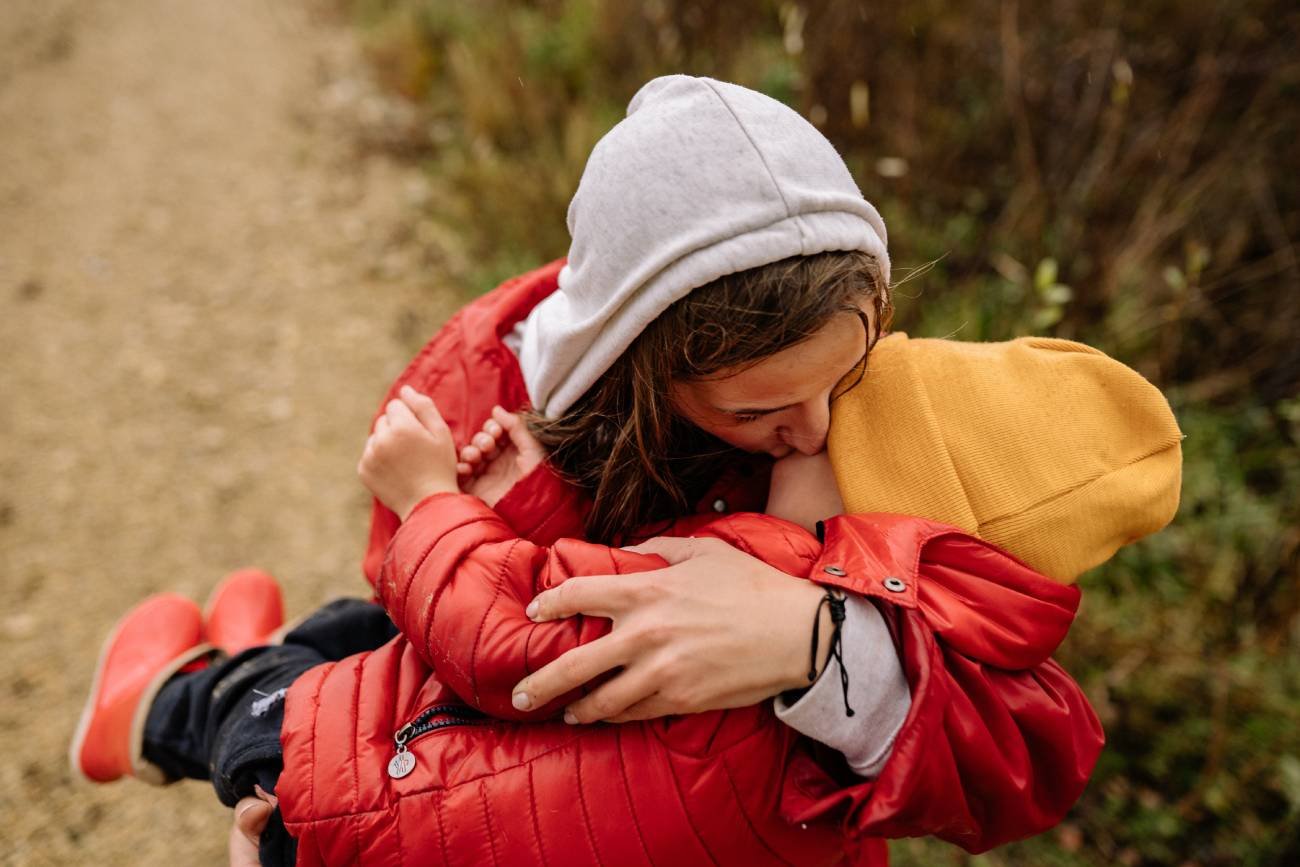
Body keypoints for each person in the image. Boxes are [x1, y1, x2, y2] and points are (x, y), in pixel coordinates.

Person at [70, 74, 1178, 864]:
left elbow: (1034, 742)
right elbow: (436, 614)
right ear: (638, 370)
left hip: (528, 774)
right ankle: (245, 665)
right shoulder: (511, 375)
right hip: (491, 709)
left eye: (843, 392)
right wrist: (495, 498)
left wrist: (813, 642)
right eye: (760, 409)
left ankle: (181, 695)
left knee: (301, 700)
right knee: (359, 638)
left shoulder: (872, 469)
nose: (812, 431)